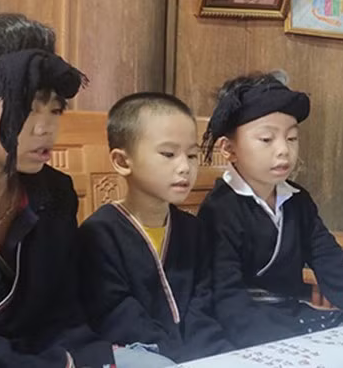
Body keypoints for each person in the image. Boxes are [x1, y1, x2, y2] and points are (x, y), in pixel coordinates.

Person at [0, 15, 174, 367]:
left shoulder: (54, 190)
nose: (46, 127)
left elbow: (63, 312)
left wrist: (89, 359)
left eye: (55, 109)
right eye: (26, 109)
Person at [198, 72, 343, 348]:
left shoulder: (297, 200)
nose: (283, 150)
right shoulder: (220, 209)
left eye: (291, 139)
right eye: (267, 139)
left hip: (291, 314)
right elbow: (226, 295)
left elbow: (331, 266)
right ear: (228, 149)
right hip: (244, 324)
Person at [78, 92, 233, 363]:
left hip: (197, 356)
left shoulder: (193, 230)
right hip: (139, 354)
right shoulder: (98, 234)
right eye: (168, 154)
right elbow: (116, 313)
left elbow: (202, 304)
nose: (185, 167)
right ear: (122, 161)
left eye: (192, 155)